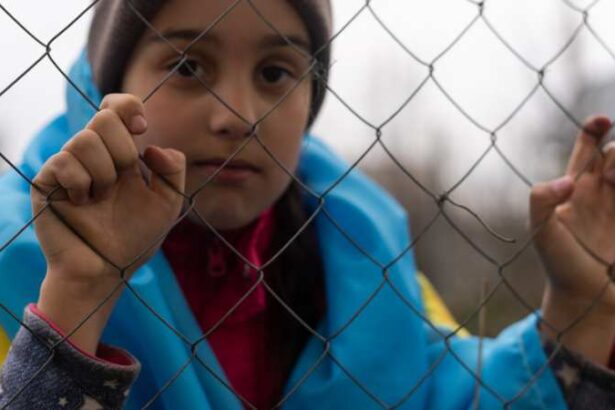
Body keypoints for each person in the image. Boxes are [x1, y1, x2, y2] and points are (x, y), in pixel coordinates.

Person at [0, 0, 614, 408]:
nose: (236, 116)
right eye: (186, 65)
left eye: (274, 73)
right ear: (109, 89)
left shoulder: (363, 255)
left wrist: (580, 310)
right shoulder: (16, 264)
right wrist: (77, 298)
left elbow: (445, 391)